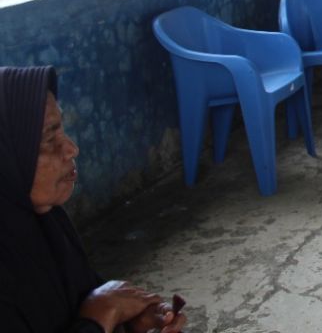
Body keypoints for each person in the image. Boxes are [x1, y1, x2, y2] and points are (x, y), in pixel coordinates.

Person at [0, 65, 187, 333]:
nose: (71, 148)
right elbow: (91, 313)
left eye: (61, 129)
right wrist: (99, 318)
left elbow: (82, 297)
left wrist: (128, 319)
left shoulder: (46, 219)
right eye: (48, 138)